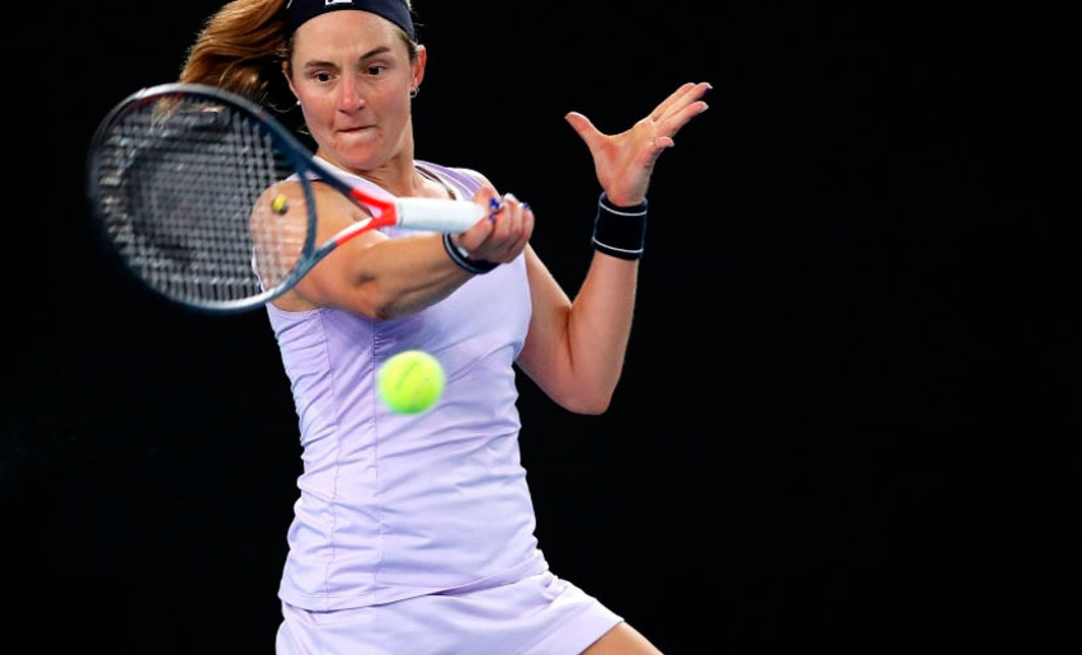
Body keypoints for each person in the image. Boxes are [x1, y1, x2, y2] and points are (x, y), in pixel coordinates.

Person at [180, 1, 710, 652]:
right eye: (322, 75)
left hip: (511, 585)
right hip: (366, 608)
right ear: (292, 82)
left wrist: (622, 206)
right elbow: (370, 285)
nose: (349, 100)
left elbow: (584, 378)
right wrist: (464, 253)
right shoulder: (291, 208)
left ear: (416, 69)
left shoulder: (468, 191)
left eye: (374, 68)